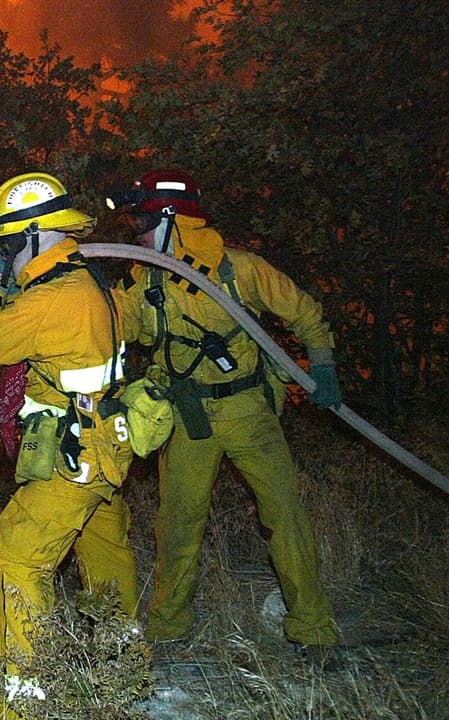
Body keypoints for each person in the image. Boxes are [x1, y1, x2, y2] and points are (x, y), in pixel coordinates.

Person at [109, 168, 342, 659]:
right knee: (178, 524)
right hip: (188, 414)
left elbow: (303, 310)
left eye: (142, 223)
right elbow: (114, 328)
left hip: (247, 410)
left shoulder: (239, 269)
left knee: (285, 516)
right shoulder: (142, 280)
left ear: (171, 219)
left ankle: (313, 629)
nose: (136, 234)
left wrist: (321, 364)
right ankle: (168, 628)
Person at [0, 172, 138, 717]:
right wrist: (13, 280)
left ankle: (26, 703)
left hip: (74, 454)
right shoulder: (88, 281)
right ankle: (123, 669)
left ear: (34, 234)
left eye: (10, 244)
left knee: (17, 553)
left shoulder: (57, 297)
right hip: (106, 446)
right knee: (104, 554)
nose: (7, 254)